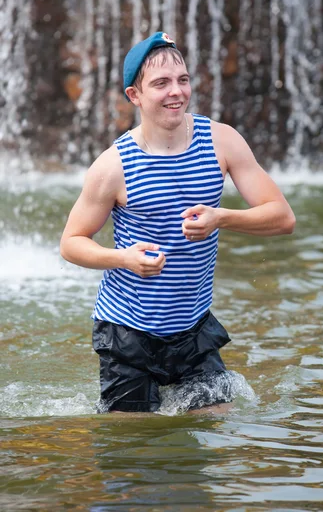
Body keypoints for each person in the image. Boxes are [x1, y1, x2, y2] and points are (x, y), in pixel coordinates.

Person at [60, 31, 296, 414]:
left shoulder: (222, 141)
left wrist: (222, 217)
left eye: (183, 80)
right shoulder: (112, 166)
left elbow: (283, 217)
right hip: (128, 332)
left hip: (193, 329)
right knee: (133, 446)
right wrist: (124, 258)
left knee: (213, 429)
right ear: (134, 95)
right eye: (161, 83)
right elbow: (71, 242)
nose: (177, 92)